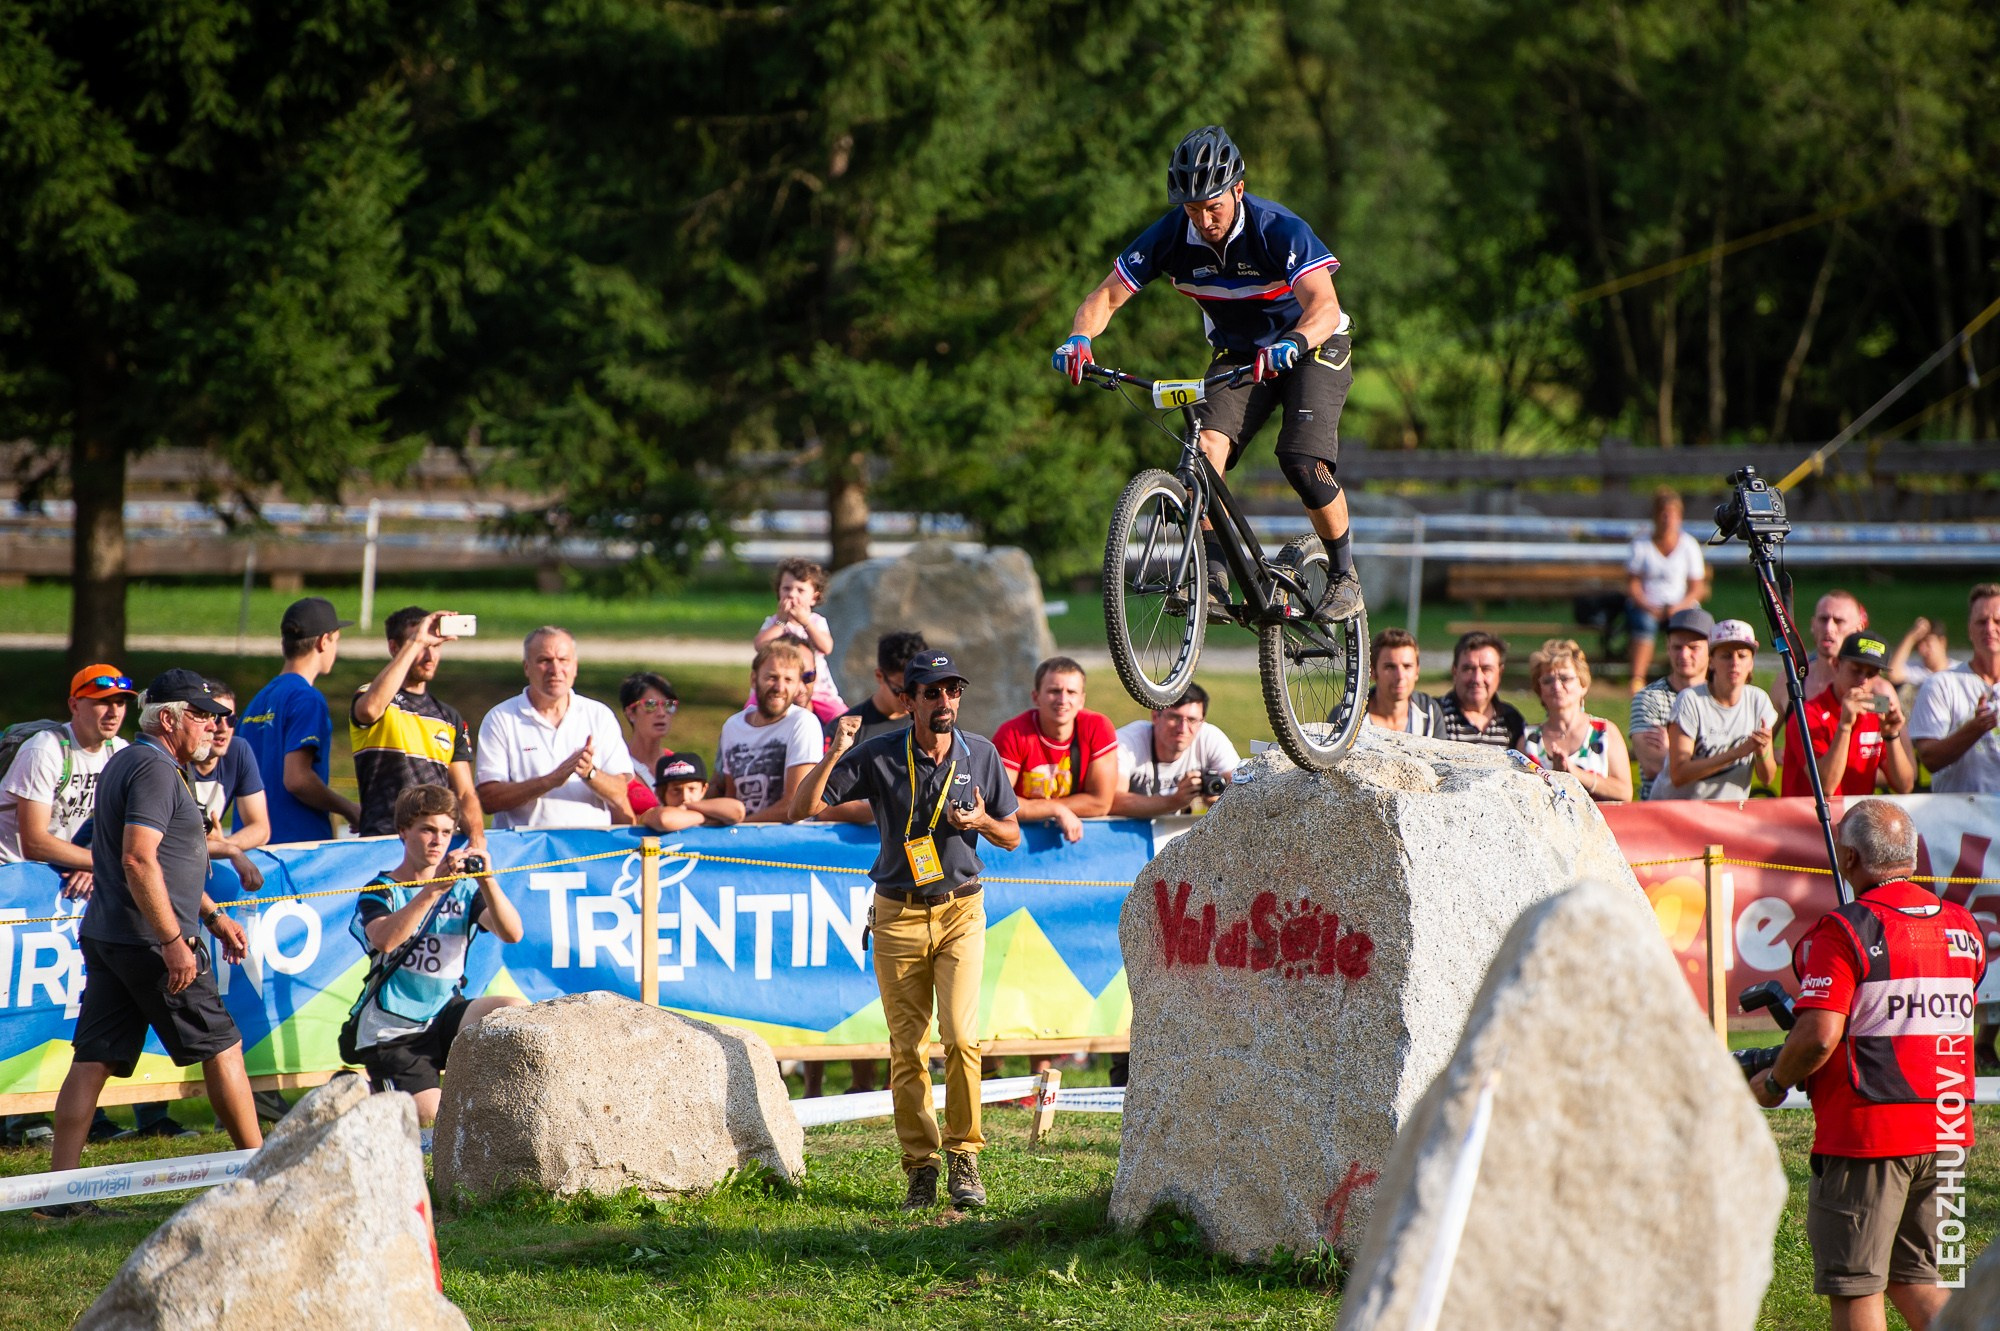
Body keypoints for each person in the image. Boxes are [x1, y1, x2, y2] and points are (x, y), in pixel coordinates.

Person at [1054, 124, 1362, 623]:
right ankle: (1214, 578)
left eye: (1213, 206)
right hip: (1239, 354)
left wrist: (1294, 342)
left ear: (1238, 189)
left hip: (1311, 345)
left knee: (1301, 459)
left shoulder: (1277, 229)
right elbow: (1106, 296)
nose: (1203, 219)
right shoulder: (1174, 234)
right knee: (1205, 452)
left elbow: (1325, 307)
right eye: (1192, 208)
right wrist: (1080, 339)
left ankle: (1345, 576)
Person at [786, 651, 1022, 1212]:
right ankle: (921, 1166)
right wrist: (837, 750)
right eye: (933, 693)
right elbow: (801, 808)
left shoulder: (980, 753)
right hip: (896, 913)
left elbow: (1011, 834)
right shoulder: (880, 752)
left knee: (962, 1039)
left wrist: (982, 822)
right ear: (910, 700)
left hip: (962, 910)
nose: (945, 703)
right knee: (907, 1048)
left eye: (953, 691)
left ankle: (965, 1155)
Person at [1749, 800, 1982, 1331]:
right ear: (1911, 854)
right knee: (1918, 1281)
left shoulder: (1845, 929)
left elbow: (1819, 1034)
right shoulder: (1964, 927)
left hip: (1870, 1135)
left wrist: (1777, 1079)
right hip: (1949, 1129)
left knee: (1857, 1290)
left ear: (1849, 857)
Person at [40, 671, 263, 1217]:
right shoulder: (155, 769)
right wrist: (172, 939)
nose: (215, 724)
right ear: (168, 718)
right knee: (223, 1045)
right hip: (148, 940)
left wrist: (210, 915)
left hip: (113, 933)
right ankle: (265, 1174)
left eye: (218, 716)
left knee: (93, 1060)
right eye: (202, 714)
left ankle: (56, 1197)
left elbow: (162, 860)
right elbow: (138, 858)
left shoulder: (132, 761)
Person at [346, 784, 526, 1127]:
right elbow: (385, 940)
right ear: (403, 832)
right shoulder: (381, 889)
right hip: (393, 1029)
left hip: (445, 1014)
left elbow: (512, 932)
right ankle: (359, 1093)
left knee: (514, 1014)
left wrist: (486, 880)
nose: (437, 840)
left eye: (446, 832)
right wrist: (432, 891)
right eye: (427, 829)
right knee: (433, 1116)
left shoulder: (462, 886)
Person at [350, 607, 486, 851]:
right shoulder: (374, 696)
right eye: (422, 646)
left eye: (435, 646)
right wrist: (416, 641)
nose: (429, 655)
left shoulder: (449, 717)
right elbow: (369, 710)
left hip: (436, 847)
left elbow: (465, 793)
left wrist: (477, 839)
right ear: (394, 648)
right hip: (383, 843)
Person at [475, 626, 634, 829]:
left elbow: (620, 792)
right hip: (527, 852)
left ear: (575, 667)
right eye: (544, 660)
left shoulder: (598, 715)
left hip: (588, 850)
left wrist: (589, 773)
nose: (555, 670)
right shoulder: (501, 718)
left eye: (563, 660)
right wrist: (550, 781)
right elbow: (489, 799)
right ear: (526, 667)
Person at [237, 596, 362, 843]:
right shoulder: (307, 699)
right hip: (296, 851)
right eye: (336, 640)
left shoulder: (258, 700)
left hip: (254, 847)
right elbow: (297, 779)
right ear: (324, 641)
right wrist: (350, 808)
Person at [0, 665, 133, 887]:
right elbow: (34, 843)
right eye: (103, 702)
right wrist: (100, 862)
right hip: (7, 870)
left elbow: (128, 824)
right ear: (74, 705)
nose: (114, 712)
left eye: (120, 703)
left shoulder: (118, 751)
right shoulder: (45, 750)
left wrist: (89, 862)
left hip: (45, 872)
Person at [993, 657, 1118, 843]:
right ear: (1036, 697)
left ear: (1082, 699)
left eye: (1071, 692)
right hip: (1019, 842)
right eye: (1054, 691)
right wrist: (1056, 810)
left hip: (1078, 841)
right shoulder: (1012, 733)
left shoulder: (1098, 727)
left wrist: (1038, 808)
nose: (1063, 700)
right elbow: (999, 802)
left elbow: (1100, 803)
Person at [1652, 619, 1778, 802]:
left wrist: (1761, 752)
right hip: (1677, 814)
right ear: (1711, 661)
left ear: (1751, 663)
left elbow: (1767, 778)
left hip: (1728, 816)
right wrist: (1736, 753)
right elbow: (1679, 774)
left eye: (1742, 656)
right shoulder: (1691, 700)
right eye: (1726, 655)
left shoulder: (1758, 701)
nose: (1734, 663)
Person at [1779, 632, 1917, 799]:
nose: (1863, 680)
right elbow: (1825, 787)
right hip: (1808, 821)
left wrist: (1891, 736)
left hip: (1855, 820)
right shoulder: (1807, 715)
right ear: (1837, 665)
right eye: (1856, 670)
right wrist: (1844, 726)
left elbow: (1905, 786)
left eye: (1871, 674)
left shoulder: (1877, 714)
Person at [818, 630, 929, 827]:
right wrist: (886, 808)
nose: (908, 699)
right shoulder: (846, 729)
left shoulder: (931, 724)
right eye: (900, 691)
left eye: (915, 691)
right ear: (879, 676)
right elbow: (821, 806)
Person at [714, 640, 825, 822]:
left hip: (788, 839)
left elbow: (795, 804)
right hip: (739, 840)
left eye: (788, 680)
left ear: (798, 685)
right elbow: (731, 797)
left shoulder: (803, 723)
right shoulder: (732, 726)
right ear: (753, 679)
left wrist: (741, 827)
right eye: (772, 677)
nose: (779, 688)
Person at [1909, 583, 2000, 796]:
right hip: (1961, 822)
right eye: (1981, 621)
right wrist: (1974, 729)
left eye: (1997, 621)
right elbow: (1930, 759)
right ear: (1969, 629)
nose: (1990, 628)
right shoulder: (1941, 684)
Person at [1519, 639, 1633, 802]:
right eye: (1547, 681)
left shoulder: (1605, 732)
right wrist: (1556, 776)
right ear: (1539, 690)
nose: (1557, 686)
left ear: (1583, 684)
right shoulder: (1528, 742)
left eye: (1565, 678)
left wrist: (1575, 774)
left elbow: (1624, 793)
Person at [186, 681, 270, 894]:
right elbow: (171, 845)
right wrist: (229, 850)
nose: (223, 727)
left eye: (231, 719)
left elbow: (261, 828)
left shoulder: (238, 750)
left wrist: (224, 844)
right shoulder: (176, 759)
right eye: (215, 717)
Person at [1623, 487, 1710, 693]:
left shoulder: (1689, 545)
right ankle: (1637, 679)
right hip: (1647, 605)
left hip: (1680, 604)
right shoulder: (1641, 544)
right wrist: (1646, 604)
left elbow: (1697, 587)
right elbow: (1632, 584)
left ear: (1679, 517)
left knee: (1692, 627)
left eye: (1672, 514)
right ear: (1655, 516)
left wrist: (1679, 606)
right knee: (1644, 624)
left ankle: (1696, 676)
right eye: (1663, 513)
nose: (1667, 519)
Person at [1110, 683, 1240, 817]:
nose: (1182, 729)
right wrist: (1174, 801)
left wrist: (1221, 802)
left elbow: (1243, 789)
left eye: (1192, 720)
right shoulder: (1128, 742)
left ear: (1202, 722)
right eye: (1174, 718)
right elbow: (1112, 801)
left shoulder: (1210, 738)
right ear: (1155, 716)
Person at [1628, 608, 1713, 798]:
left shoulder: (1721, 698)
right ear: (1667, 647)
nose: (1684, 654)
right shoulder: (1649, 698)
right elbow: (1652, 766)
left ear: (1711, 650)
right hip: (1661, 812)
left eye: (1693, 647)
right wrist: (1716, 758)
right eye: (1677, 647)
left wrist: (1673, 748)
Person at [750, 558, 847, 723]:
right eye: (786, 588)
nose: (792, 594)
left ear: (814, 598)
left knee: (840, 717)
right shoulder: (774, 622)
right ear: (778, 592)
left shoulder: (816, 621)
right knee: (751, 709)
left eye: (800, 590)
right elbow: (759, 645)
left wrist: (805, 622)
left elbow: (826, 647)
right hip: (779, 685)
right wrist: (781, 622)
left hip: (815, 689)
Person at [1788, 589, 1875, 709]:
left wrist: (1891, 728)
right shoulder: (1789, 682)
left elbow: (1895, 726)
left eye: (1839, 621)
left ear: (1858, 629)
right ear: (1813, 625)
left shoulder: (1877, 690)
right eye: (1823, 619)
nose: (1829, 628)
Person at [1438, 632, 1525, 749]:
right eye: (1468, 669)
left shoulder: (1512, 720)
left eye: (1486, 669)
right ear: (1454, 671)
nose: (1477, 679)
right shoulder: (1435, 715)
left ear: (1500, 673)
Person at [617, 671, 681, 822]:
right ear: (630, 713)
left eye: (668, 705)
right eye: (650, 705)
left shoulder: (678, 764)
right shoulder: (617, 764)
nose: (661, 713)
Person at [1364, 628, 1445, 735]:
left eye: (1407, 666)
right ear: (1372, 672)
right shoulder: (1348, 716)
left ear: (1417, 671)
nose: (1400, 676)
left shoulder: (1429, 711)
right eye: (1390, 667)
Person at [639, 754, 745, 833]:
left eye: (692, 789)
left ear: (703, 789)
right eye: (676, 790)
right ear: (660, 793)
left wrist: (687, 807)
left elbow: (737, 810)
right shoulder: (652, 813)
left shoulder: (709, 807)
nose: (685, 797)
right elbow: (664, 819)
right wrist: (706, 818)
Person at [1887, 617, 1957, 694]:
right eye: (1919, 644)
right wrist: (1911, 637)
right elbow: (1893, 674)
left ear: (1942, 642)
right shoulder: (1915, 670)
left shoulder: (1958, 670)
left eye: (1927, 642)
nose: (1922, 649)